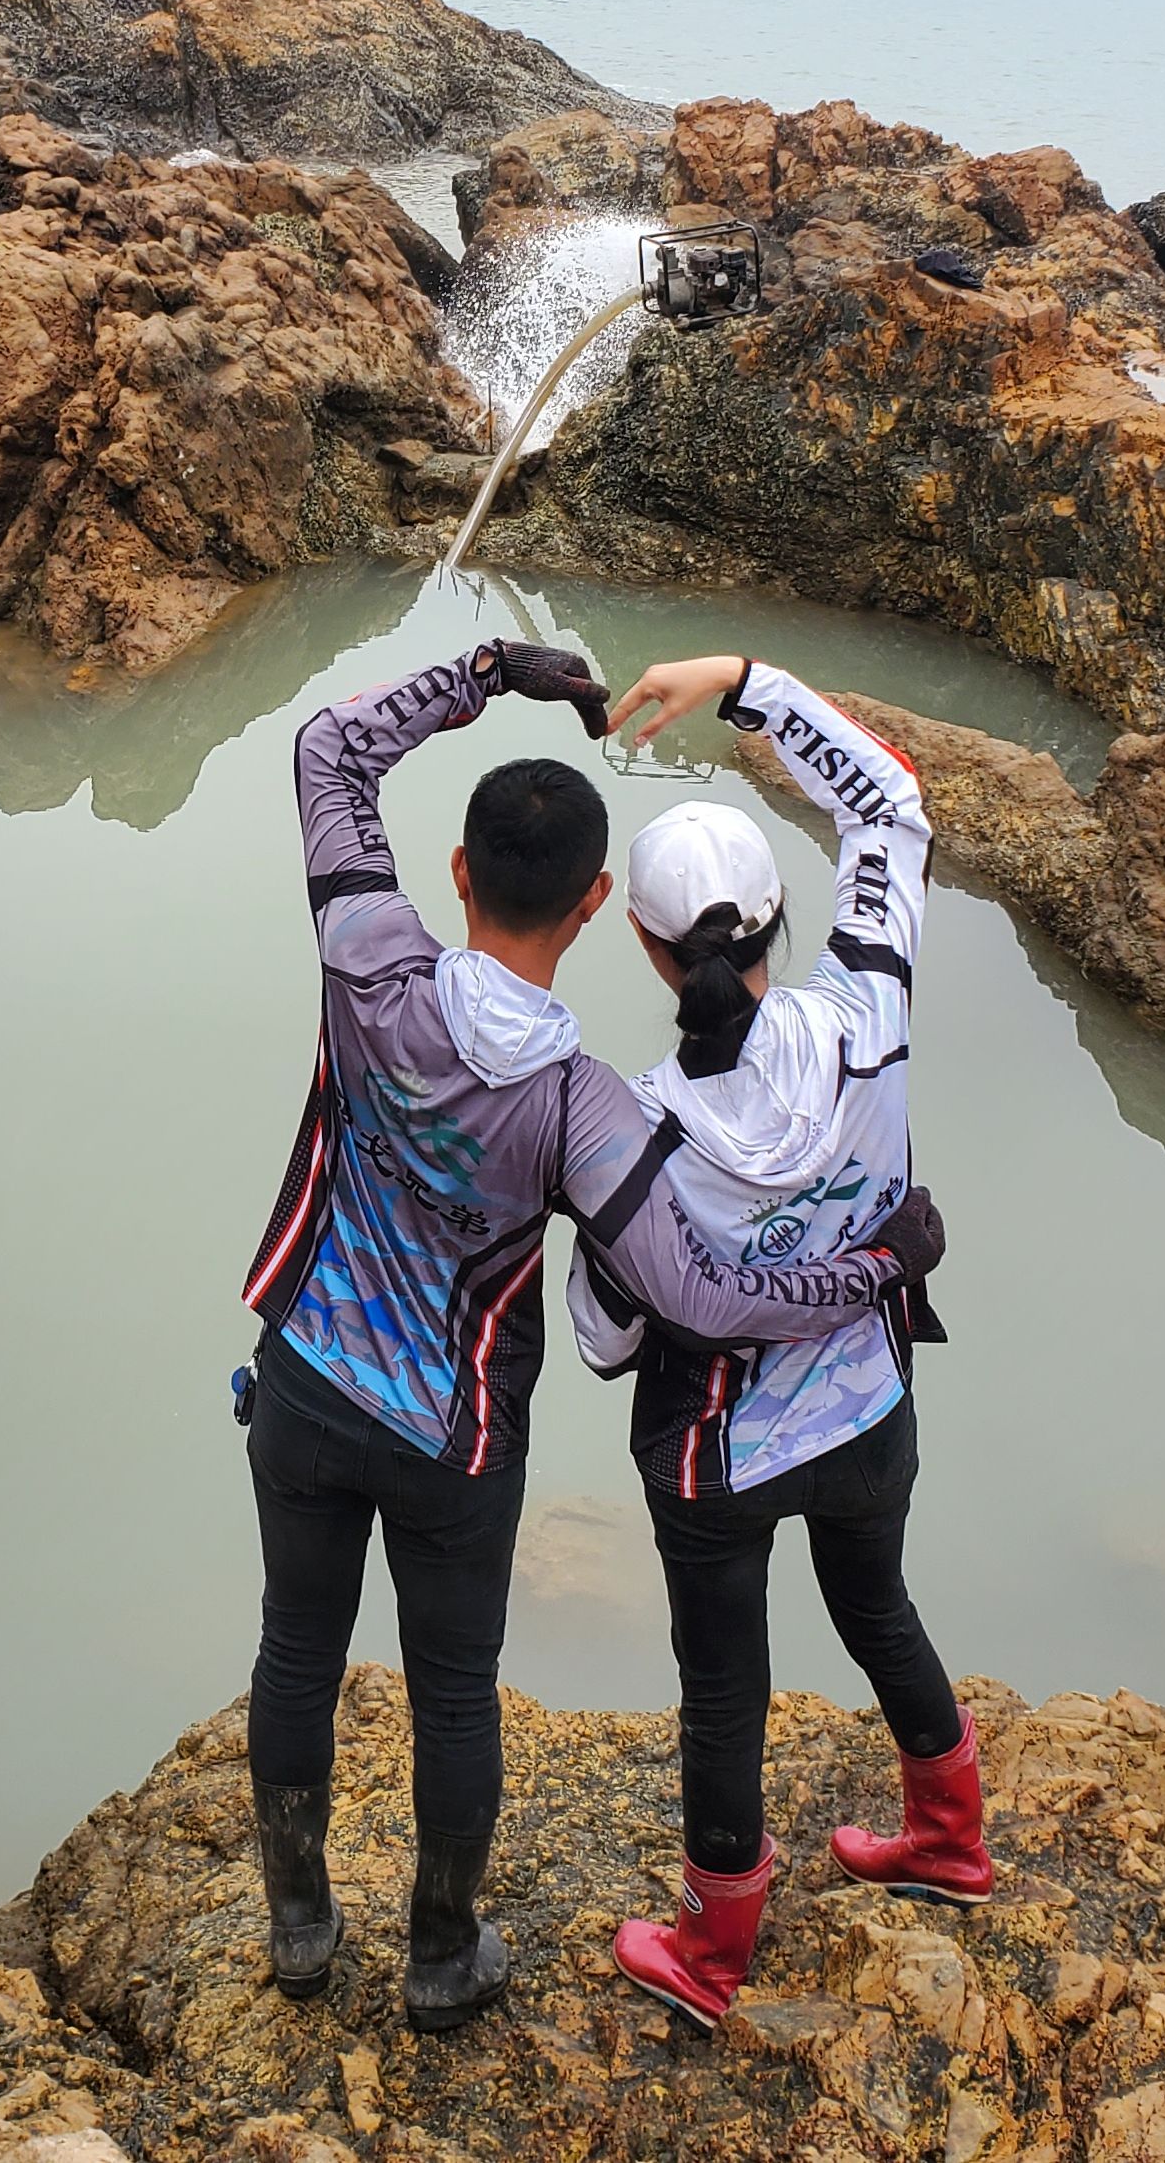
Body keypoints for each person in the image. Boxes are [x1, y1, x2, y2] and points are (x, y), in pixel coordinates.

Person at [239, 640, 947, 2035]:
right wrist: (870, 1270)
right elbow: (699, 1298)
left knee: (294, 1655)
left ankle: (302, 1926)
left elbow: (327, 752)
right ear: (588, 909)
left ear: (456, 874)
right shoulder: (583, 1108)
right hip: (457, 1438)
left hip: (310, 1384)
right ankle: (441, 1957)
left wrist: (491, 670)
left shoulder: (367, 959)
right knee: (452, 1695)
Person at [577, 653, 983, 2033]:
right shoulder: (871, 1009)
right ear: (783, 923)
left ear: (641, 947)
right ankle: (949, 1840)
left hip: (721, 1456)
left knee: (723, 1693)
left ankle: (713, 1953)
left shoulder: (634, 1130)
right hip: (868, 1405)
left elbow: (604, 1334)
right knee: (880, 1610)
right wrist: (746, 684)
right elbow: (893, 804)